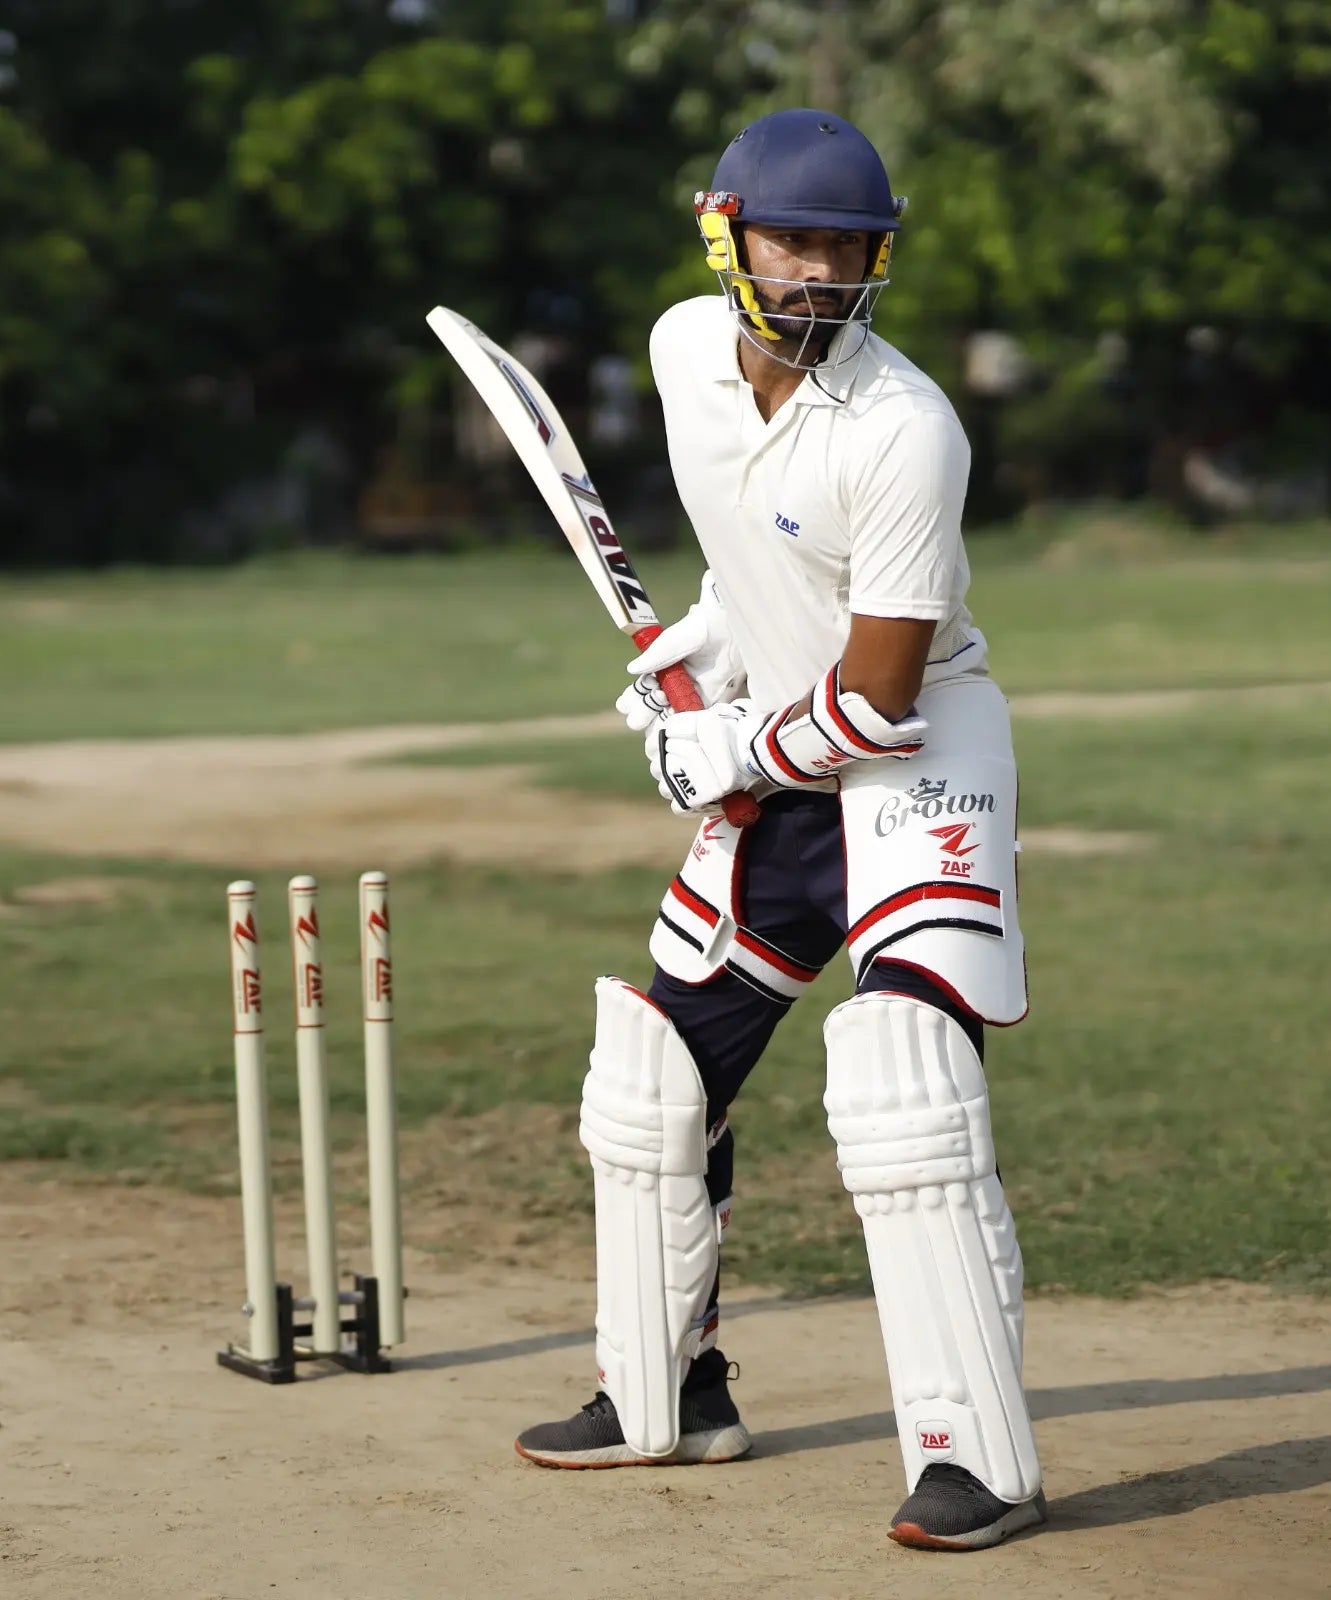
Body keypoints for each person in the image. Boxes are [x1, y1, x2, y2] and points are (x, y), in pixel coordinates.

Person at [512, 108, 1047, 1552]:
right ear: (723, 229)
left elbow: (875, 694)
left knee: (904, 1095)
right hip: (777, 764)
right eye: (793, 241)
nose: (818, 272)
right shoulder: (686, 348)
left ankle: (973, 1459)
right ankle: (661, 1396)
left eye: (849, 246)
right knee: (652, 1082)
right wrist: (703, 638)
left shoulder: (905, 429)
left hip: (914, 759)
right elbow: (754, 543)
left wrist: (716, 745)